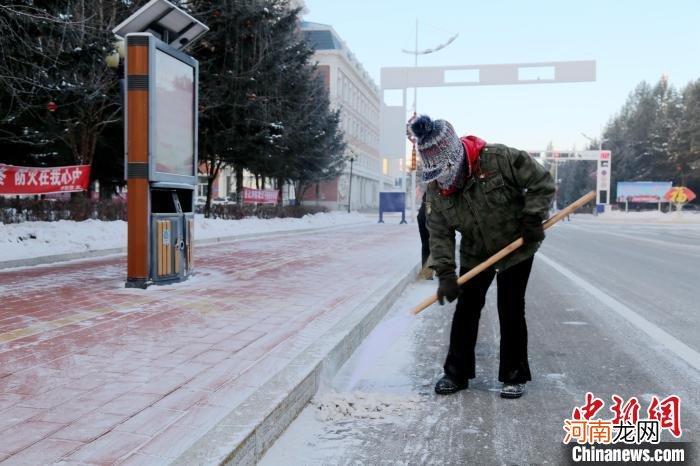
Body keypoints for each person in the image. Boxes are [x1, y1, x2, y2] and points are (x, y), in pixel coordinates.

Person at [410, 115, 555, 399]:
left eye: (444, 171)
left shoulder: (499, 159)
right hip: (476, 251)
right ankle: (456, 373)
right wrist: (446, 273)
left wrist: (532, 217)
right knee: (466, 307)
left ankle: (514, 376)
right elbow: (439, 233)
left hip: (516, 245)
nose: (441, 181)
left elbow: (541, 182)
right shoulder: (438, 191)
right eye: (434, 175)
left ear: (455, 158)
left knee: (511, 307)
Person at [416, 191, 434, 280]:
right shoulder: (436, 190)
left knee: (426, 246)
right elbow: (429, 208)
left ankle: (427, 273)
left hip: (423, 217)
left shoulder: (429, 189)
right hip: (427, 219)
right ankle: (428, 273)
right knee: (433, 245)